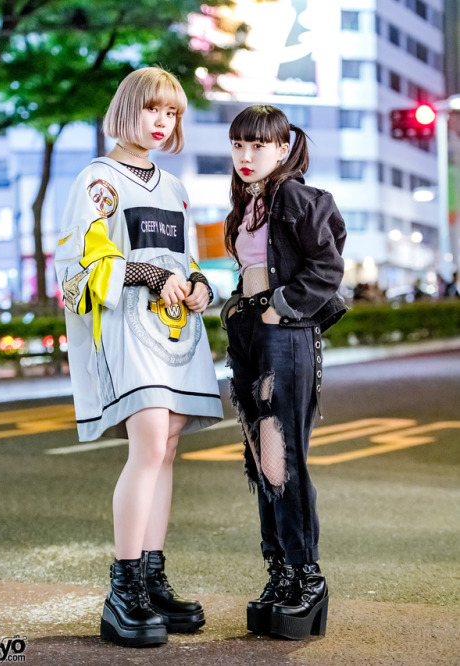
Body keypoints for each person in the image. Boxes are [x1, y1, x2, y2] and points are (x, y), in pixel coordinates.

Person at [55, 67, 223, 648]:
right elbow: (82, 266)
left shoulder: (173, 186)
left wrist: (201, 286)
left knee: (168, 448)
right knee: (151, 442)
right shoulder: (99, 180)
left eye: (172, 113)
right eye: (153, 109)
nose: (163, 122)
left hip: (176, 331)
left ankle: (151, 580)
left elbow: (192, 259)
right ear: (128, 110)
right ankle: (122, 591)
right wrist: (150, 274)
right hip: (128, 328)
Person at [221, 105, 346, 641]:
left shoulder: (295, 196)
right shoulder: (248, 203)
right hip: (251, 334)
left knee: (281, 459)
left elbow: (328, 264)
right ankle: (279, 575)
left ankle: (306, 577)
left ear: (281, 148)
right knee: (259, 458)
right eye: (239, 145)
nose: (247, 157)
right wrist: (239, 306)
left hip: (285, 335)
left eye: (258, 146)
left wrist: (282, 305)